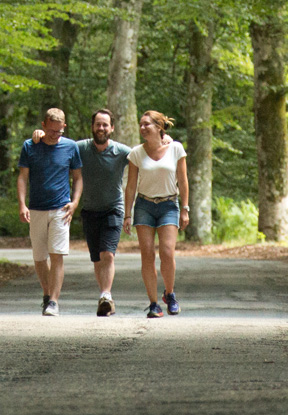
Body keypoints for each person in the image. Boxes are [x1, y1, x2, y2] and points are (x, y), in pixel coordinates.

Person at [31, 109, 131, 315]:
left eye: (105, 125)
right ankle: (103, 295)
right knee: (96, 258)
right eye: (98, 124)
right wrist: (38, 134)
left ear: (112, 128)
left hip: (114, 208)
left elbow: (145, 156)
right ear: (92, 127)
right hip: (90, 209)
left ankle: (106, 294)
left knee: (107, 254)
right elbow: (55, 142)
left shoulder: (122, 151)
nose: (101, 128)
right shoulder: (79, 148)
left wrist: (163, 140)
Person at [17, 107, 83, 316]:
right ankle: (47, 294)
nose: (56, 135)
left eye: (59, 131)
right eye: (52, 131)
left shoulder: (71, 147)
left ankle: (54, 301)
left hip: (61, 208)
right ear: (43, 126)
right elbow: (22, 177)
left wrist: (75, 202)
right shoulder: (30, 146)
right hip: (36, 208)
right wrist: (22, 204)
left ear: (64, 127)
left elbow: (78, 177)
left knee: (57, 255)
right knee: (39, 257)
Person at [123, 109, 189, 318]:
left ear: (159, 127)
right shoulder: (136, 154)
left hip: (169, 204)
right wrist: (127, 214)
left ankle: (169, 294)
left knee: (167, 252)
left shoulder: (176, 149)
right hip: (144, 205)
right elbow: (131, 186)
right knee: (147, 254)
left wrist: (185, 209)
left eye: (147, 124)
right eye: (140, 124)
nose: (142, 128)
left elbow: (183, 180)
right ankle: (153, 304)